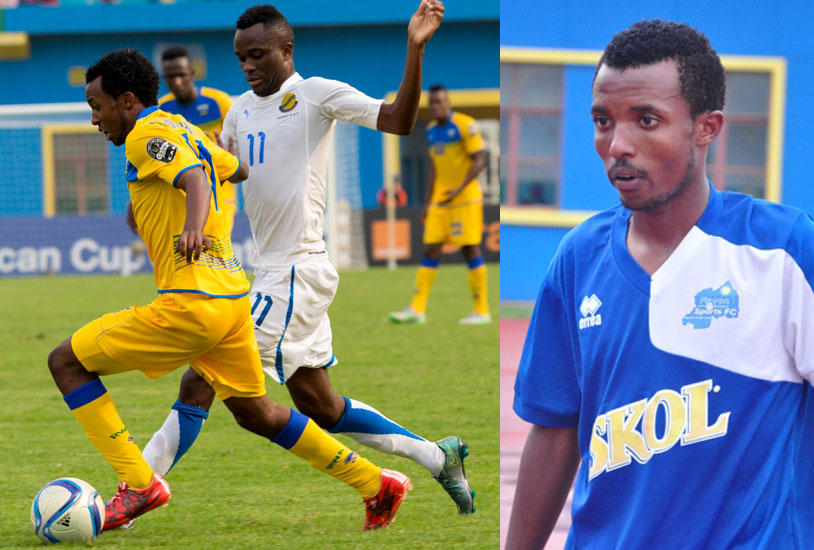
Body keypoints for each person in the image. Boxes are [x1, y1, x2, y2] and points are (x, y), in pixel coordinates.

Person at [47, 48, 410, 533]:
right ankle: (374, 482)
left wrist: (193, 225)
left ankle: (139, 483)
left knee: (66, 362)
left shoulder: (145, 135)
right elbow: (234, 169)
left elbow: (197, 179)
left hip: (191, 304)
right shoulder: (187, 130)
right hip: (234, 300)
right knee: (255, 412)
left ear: (127, 100)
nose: (94, 119)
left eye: (97, 105)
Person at [137, 0, 476, 518]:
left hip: (297, 270)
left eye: (257, 55)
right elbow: (217, 170)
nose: (247, 66)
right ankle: (437, 455)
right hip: (269, 271)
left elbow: (400, 120)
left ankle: (139, 484)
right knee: (322, 406)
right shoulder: (238, 111)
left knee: (201, 376)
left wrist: (414, 48)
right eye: (240, 57)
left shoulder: (315, 94)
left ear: (286, 50)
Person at [506, 19, 814, 549]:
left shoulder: (782, 251)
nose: (617, 144)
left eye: (646, 120)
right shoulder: (579, 256)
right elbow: (555, 430)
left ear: (706, 128)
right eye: (603, 121)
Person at [389, 84, 489, 325]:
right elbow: (434, 168)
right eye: (432, 104)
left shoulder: (465, 125)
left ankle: (481, 311)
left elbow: (480, 160)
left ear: (448, 103)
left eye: (439, 103)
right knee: (430, 249)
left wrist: (460, 188)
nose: (435, 107)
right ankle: (417, 309)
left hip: (465, 200)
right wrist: (426, 202)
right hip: (440, 203)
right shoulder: (431, 131)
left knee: (470, 250)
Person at [159, 46, 239, 232]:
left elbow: (240, 138)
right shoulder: (162, 109)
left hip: (221, 190)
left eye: (181, 74)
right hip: (183, 195)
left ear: (192, 74)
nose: (177, 82)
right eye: (171, 77)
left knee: (217, 249)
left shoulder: (218, 102)